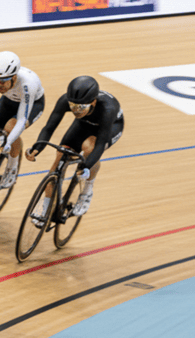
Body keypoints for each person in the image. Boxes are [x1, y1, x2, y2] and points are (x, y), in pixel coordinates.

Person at [25, 76, 124, 226]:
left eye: (80, 107)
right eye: (73, 106)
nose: (75, 111)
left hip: (110, 127)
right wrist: (38, 148)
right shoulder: (66, 101)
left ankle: (87, 191)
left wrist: (86, 166)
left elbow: (100, 144)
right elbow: (49, 128)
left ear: (93, 102)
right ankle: (45, 207)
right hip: (83, 123)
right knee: (60, 156)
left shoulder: (107, 108)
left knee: (89, 148)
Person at [0, 51, 45, 191]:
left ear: (14, 77)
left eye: (3, 81)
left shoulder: (28, 84)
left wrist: (8, 142)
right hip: (8, 101)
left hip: (33, 104)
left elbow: (22, 119)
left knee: (10, 128)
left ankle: (12, 169)